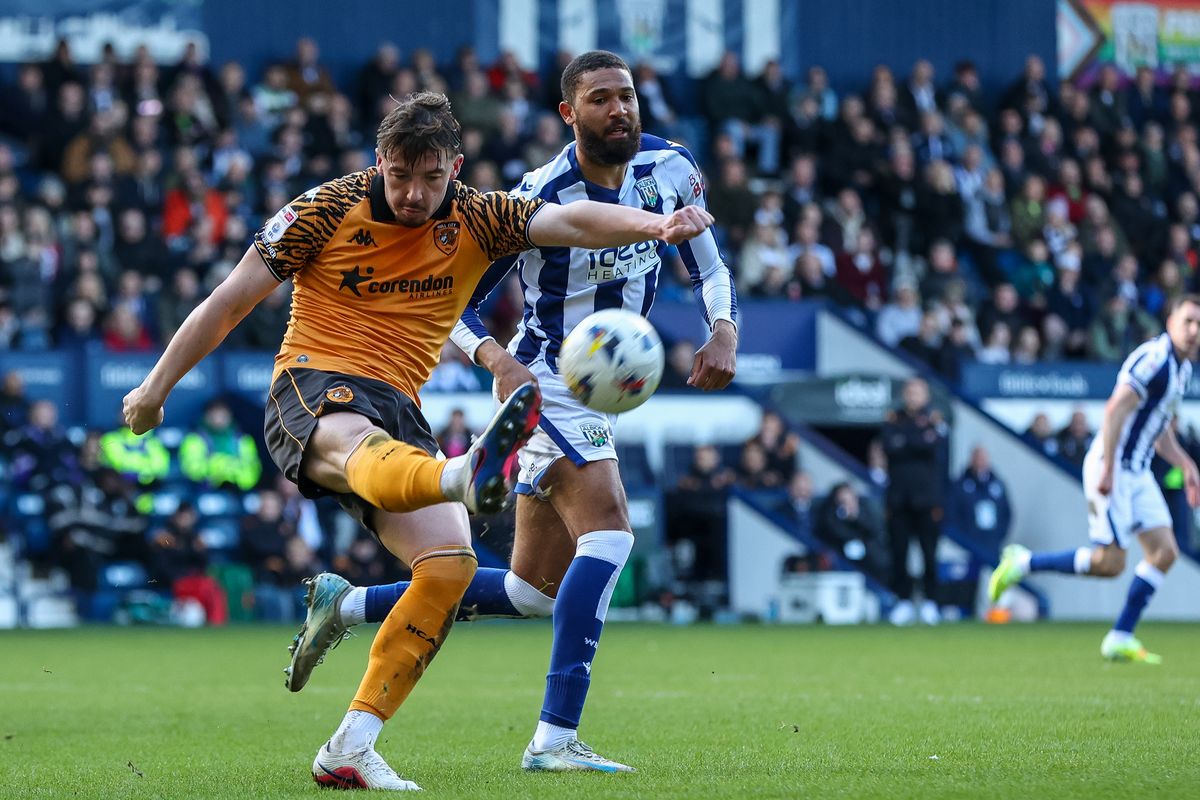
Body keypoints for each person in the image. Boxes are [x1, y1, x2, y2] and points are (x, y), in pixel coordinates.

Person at [120, 91, 715, 790]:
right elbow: (229, 301)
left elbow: (574, 221)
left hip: (400, 407)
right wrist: (154, 388)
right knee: (363, 448)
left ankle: (350, 745)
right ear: (379, 161)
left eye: (430, 178)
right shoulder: (324, 209)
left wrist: (658, 223)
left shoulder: (480, 215)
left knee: (449, 568)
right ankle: (459, 477)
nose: (412, 194)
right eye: (399, 175)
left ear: (453, 168)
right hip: (315, 384)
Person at [282, 52, 737, 774]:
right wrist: (497, 361)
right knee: (610, 533)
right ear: (569, 113)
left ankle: (346, 605)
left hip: (599, 392)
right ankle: (555, 739)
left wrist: (724, 327)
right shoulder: (536, 196)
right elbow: (455, 302)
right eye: (600, 99)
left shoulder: (673, 169)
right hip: (547, 382)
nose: (619, 109)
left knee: (531, 591)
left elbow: (708, 267)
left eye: (626, 96)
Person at [989, 295, 1200, 664]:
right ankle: (1022, 563)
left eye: (1199, 325)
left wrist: (1184, 463)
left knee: (1165, 552)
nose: (1194, 331)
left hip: (1138, 470)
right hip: (1113, 465)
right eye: (1189, 321)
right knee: (1110, 563)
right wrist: (1108, 468)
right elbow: (1116, 407)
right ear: (1170, 322)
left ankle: (1120, 637)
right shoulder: (1154, 360)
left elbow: (1159, 426)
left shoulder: (1181, 369)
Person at [883, 378, 948, 626]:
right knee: (899, 552)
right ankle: (903, 601)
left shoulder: (935, 420)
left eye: (918, 392)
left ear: (926, 396)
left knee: (929, 553)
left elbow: (931, 447)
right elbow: (890, 447)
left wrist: (908, 440)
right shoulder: (893, 419)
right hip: (898, 499)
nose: (913, 396)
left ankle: (931, 602)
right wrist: (917, 438)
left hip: (927, 500)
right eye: (910, 392)